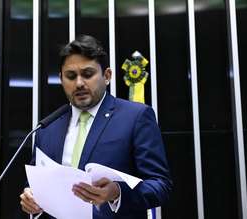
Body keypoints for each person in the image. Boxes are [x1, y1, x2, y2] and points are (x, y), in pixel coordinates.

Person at [20, 35, 172, 219]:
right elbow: (36, 184)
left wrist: (117, 192)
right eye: (70, 76)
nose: (79, 83)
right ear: (61, 79)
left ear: (107, 76)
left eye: (88, 74)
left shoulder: (136, 117)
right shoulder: (47, 127)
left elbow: (160, 184)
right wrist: (31, 199)